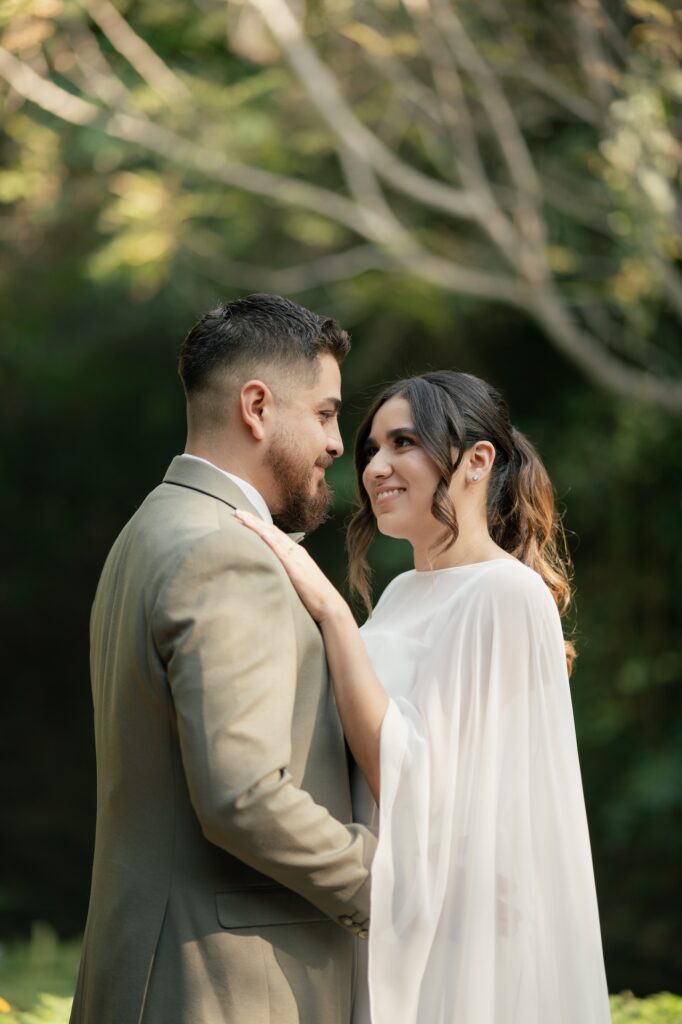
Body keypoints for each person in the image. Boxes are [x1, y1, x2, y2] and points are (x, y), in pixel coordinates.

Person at [237, 370, 612, 1024]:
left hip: (457, 936)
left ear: (477, 461)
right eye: (371, 450)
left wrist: (332, 612)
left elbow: (412, 782)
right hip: (390, 913)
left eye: (403, 442)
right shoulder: (402, 594)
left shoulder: (507, 593)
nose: (375, 467)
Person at [70, 294, 376, 1024]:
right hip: (224, 988)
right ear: (257, 407)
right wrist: (395, 883)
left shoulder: (151, 528)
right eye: (326, 414)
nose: (338, 444)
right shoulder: (222, 552)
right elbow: (245, 796)